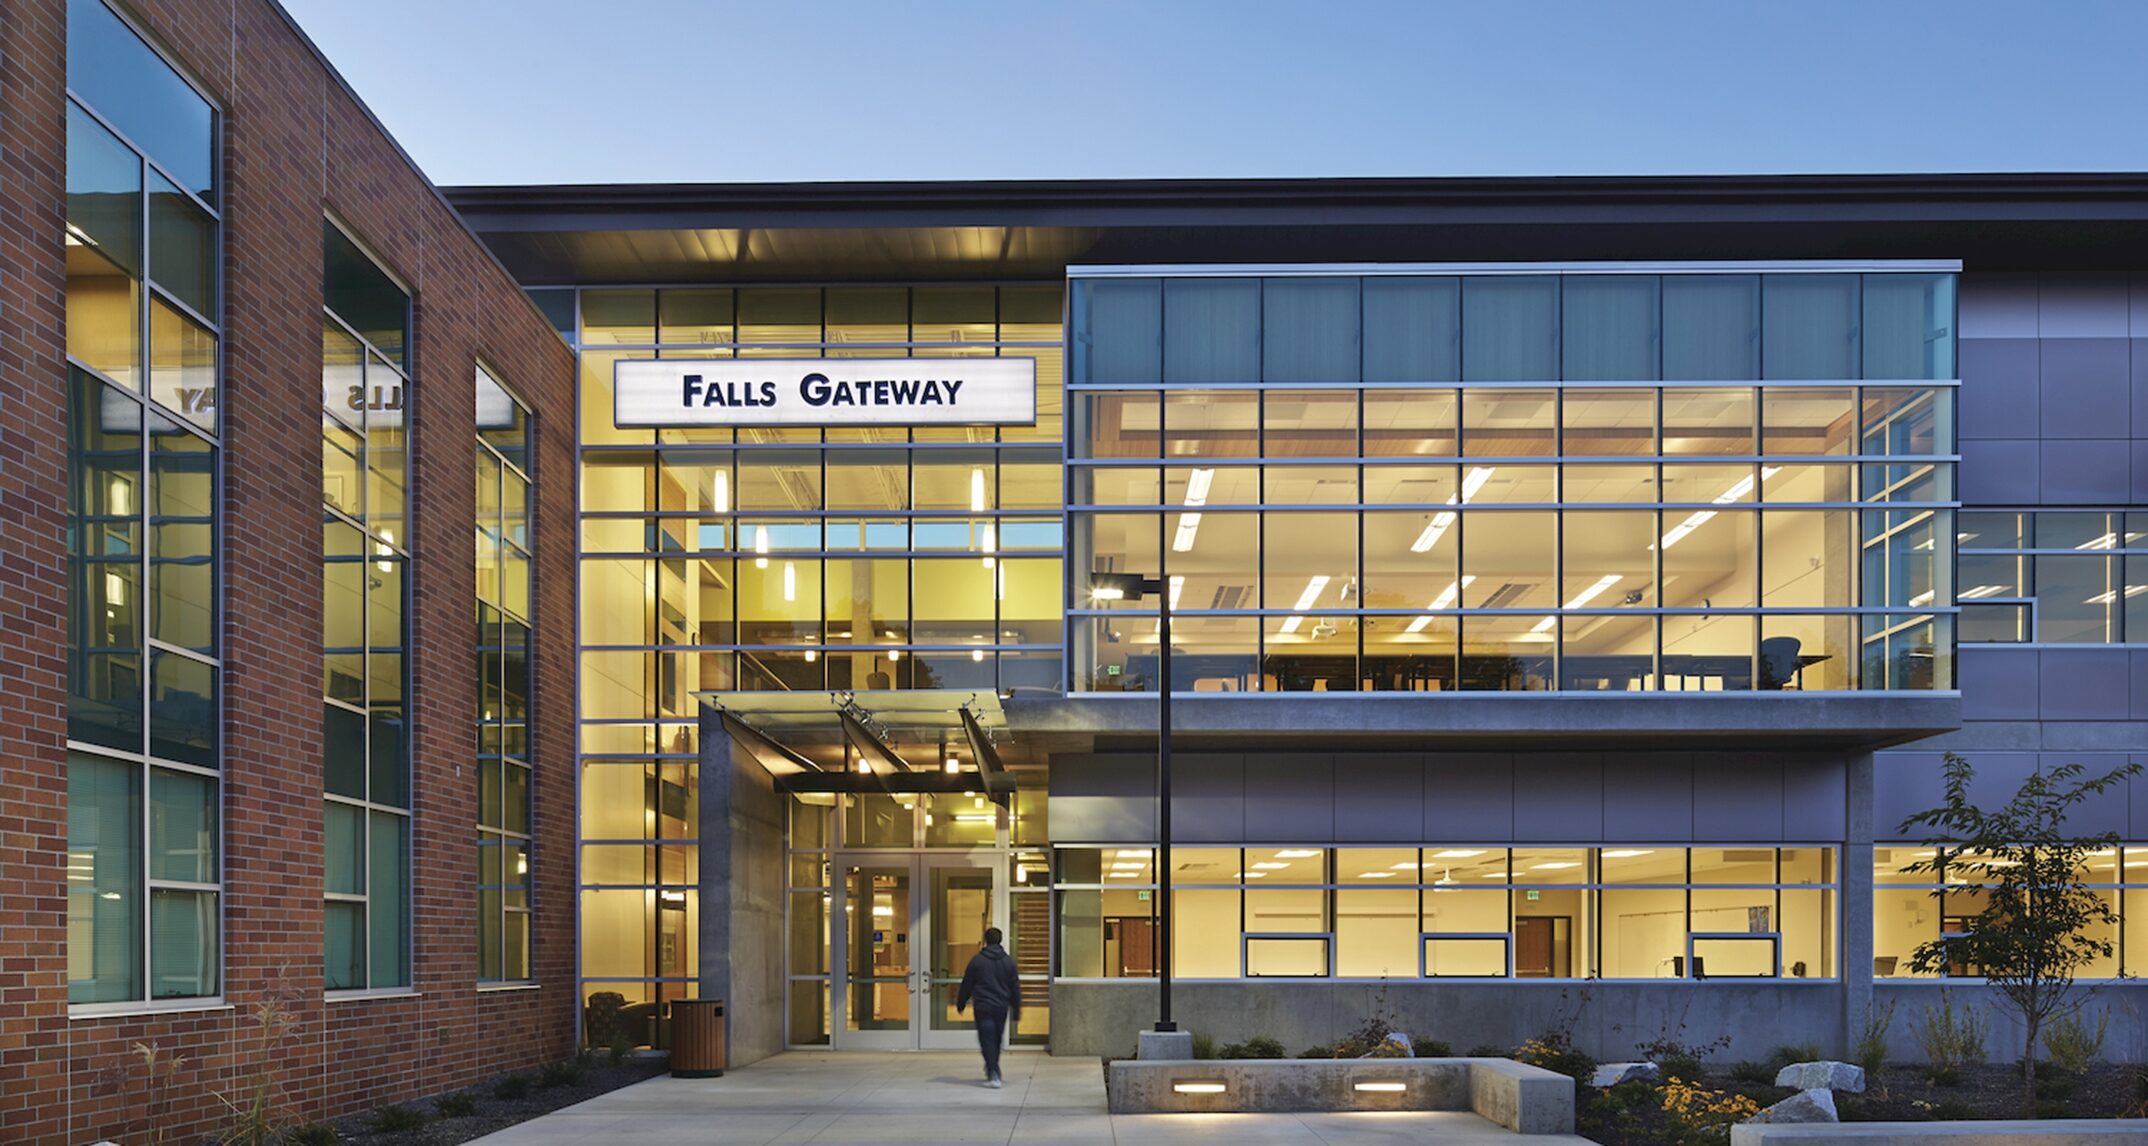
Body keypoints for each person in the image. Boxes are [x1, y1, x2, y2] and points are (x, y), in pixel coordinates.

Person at [954, 926, 1021, 1088]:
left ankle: (993, 1071)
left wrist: (961, 1002)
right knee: (995, 1039)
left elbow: (967, 984)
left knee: (987, 1039)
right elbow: (1014, 987)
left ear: (986, 940)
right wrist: (1016, 1008)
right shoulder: (1008, 962)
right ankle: (993, 1068)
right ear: (1000, 940)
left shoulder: (977, 961)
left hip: (983, 1006)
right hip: (1000, 1007)